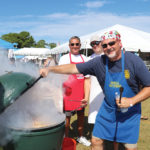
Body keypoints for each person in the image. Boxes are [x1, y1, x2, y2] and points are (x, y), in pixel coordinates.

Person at [40, 30, 150, 150]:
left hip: (129, 112)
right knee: (96, 140)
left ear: (119, 43)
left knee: (129, 147)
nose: (108, 47)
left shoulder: (133, 61)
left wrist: (131, 101)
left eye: (112, 43)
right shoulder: (99, 62)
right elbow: (73, 68)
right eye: (105, 45)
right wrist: (51, 69)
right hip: (108, 110)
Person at [58, 36, 91, 146]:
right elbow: (59, 76)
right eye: (72, 44)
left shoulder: (85, 59)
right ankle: (65, 138)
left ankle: (81, 137)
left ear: (80, 45)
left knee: (81, 116)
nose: (75, 46)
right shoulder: (64, 59)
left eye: (77, 44)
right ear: (69, 46)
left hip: (80, 92)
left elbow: (87, 79)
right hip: (68, 93)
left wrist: (86, 96)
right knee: (67, 117)